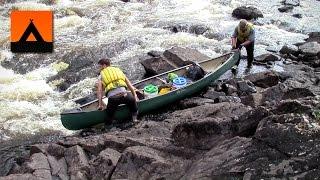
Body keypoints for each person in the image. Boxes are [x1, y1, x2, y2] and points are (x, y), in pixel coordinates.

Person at [96, 58, 139, 127]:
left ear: (104, 65)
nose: (99, 69)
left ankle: (108, 126)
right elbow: (129, 85)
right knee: (133, 106)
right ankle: (134, 119)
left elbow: (99, 92)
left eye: (99, 66)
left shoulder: (101, 76)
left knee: (109, 115)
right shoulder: (118, 70)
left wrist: (100, 105)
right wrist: (135, 96)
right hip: (125, 96)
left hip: (113, 99)